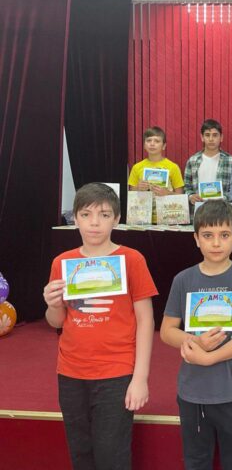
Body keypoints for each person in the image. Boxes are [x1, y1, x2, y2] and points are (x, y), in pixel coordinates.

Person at [43, 183, 157, 469]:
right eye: (86, 214)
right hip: (70, 372)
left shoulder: (132, 259)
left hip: (116, 372)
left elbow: (146, 321)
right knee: (81, 454)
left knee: (112, 456)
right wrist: (53, 304)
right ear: (75, 219)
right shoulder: (62, 262)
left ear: (116, 219)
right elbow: (56, 321)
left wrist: (140, 378)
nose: (94, 222)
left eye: (104, 215)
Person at [160, 200, 232, 470]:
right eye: (208, 235)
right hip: (192, 391)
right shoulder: (183, 280)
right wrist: (194, 341)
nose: (216, 243)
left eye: (224, 235)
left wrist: (210, 357)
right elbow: (167, 331)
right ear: (196, 239)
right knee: (196, 461)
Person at [128, 126, 185, 223]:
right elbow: (131, 192)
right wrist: (138, 187)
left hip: (167, 218)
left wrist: (167, 193)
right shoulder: (137, 167)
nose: (152, 144)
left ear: (164, 146)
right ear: (144, 145)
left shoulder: (173, 167)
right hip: (142, 218)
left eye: (157, 141)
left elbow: (180, 195)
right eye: (148, 140)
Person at [183, 119, 232, 206]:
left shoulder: (231, 161)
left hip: (222, 209)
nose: (211, 139)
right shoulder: (192, 161)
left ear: (221, 137)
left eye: (215, 135)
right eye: (207, 135)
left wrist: (223, 198)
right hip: (199, 209)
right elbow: (186, 186)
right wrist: (191, 196)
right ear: (202, 137)